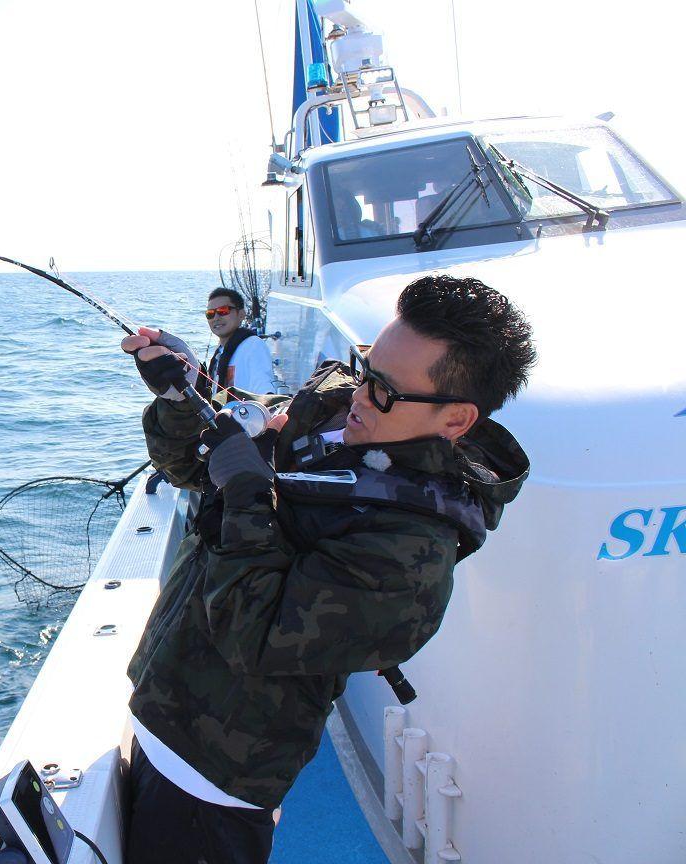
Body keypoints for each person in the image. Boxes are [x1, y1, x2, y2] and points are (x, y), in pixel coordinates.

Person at [119, 275, 536, 864]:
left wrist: (245, 494)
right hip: (158, 699)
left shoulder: (409, 557)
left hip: (214, 772)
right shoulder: (335, 410)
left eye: (386, 392)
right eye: (365, 368)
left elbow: (252, 633)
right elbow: (195, 465)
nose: (361, 396)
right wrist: (182, 395)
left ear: (456, 420)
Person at [203, 287, 277, 400]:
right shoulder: (220, 352)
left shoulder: (253, 346)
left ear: (241, 314)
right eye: (210, 314)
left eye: (223, 311)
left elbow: (264, 392)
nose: (216, 318)